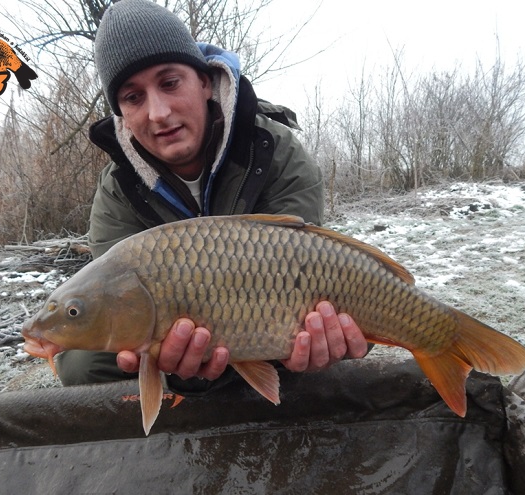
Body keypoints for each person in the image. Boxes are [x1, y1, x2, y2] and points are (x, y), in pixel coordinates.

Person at [55, 0, 369, 393]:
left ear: (205, 82)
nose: (158, 112)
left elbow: (306, 265)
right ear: (120, 113)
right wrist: (170, 364)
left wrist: (311, 339)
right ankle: (178, 415)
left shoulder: (272, 147)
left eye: (170, 83)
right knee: (80, 362)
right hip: (178, 339)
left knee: (346, 323)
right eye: (133, 97)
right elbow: (113, 294)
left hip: (277, 316)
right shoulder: (118, 188)